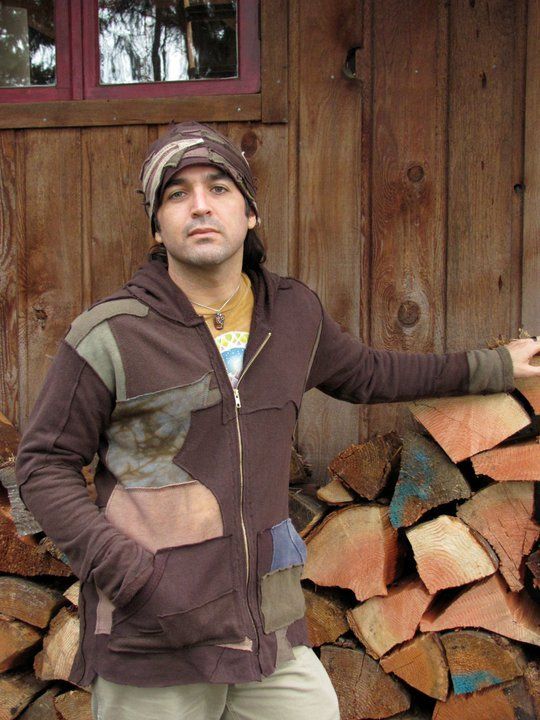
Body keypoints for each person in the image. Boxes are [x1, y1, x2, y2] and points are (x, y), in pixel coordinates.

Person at [15, 122, 540, 720]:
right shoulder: (110, 334)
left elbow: (370, 374)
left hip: (266, 621)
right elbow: (42, 467)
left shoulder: (291, 315)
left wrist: (492, 366)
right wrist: (128, 572)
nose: (201, 205)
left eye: (219, 187)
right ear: (156, 226)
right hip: (154, 634)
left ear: (250, 212)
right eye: (176, 194)